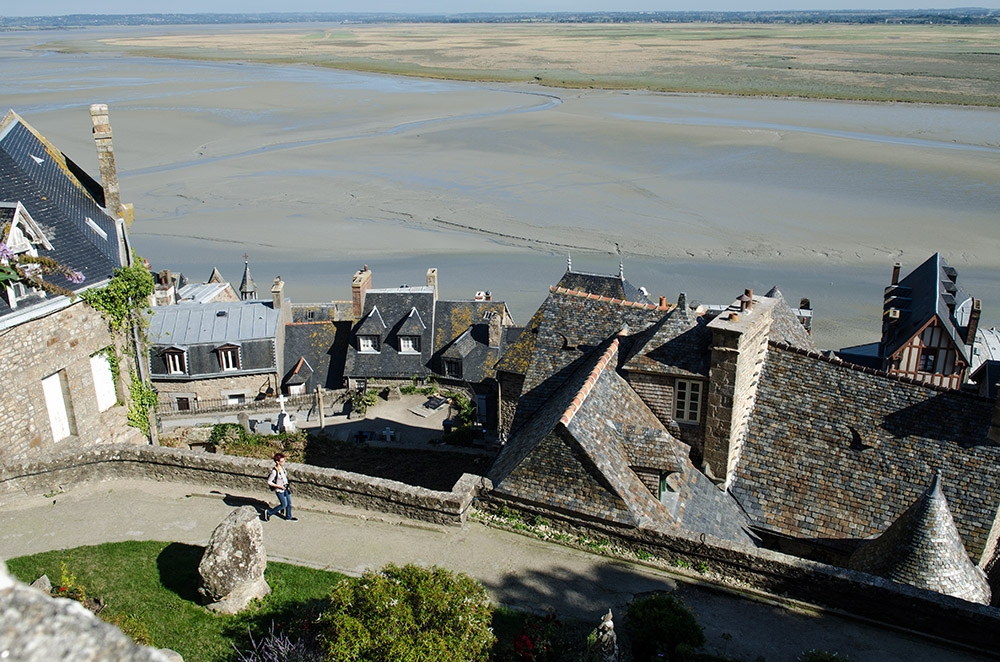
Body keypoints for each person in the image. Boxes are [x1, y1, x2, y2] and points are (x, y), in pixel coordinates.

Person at [263, 452, 296, 521]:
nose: (283, 462)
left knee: (289, 503)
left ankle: (288, 516)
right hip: (280, 490)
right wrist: (279, 486)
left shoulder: (282, 468)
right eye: (282, 461)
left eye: (284, 460)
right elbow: (269, 482)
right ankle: (269, 512)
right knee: (284, 504)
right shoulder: (274, 471)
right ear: (277, 462)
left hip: (286, 488)